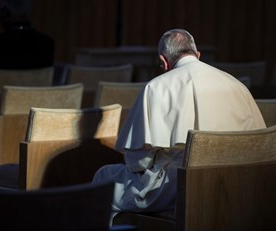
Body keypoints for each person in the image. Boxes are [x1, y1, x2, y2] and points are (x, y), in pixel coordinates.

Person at [92, 29, 266, 216]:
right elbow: (261, 148)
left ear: (163, 61)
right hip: (239, 185)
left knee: (104, 179)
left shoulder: (156, 87)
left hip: (180, 187)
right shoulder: (237, 85)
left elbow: (138, 163)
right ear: (197, 55)